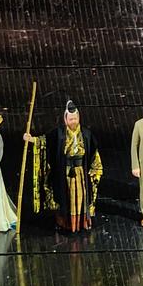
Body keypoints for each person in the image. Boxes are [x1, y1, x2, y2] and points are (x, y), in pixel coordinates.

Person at [25, 99, 102, 232]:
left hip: (80, 172)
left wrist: (95, 169)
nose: (73, 121)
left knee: (82, 198)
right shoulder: (58, 133)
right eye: (71, 119)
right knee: (65, 197)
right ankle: (66, 224)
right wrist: (32, 139)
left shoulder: (86, 134)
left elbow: (94, 153)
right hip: (64, 171)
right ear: (65, 119)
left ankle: (81, 222)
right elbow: (44, 141)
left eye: (75, 118)